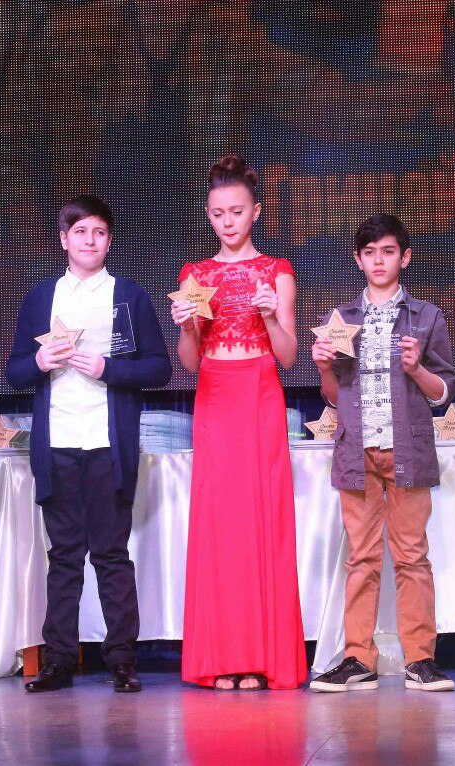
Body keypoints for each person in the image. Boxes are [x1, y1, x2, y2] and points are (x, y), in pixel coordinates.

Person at [6, 194, 171, 693]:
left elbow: (159, 368)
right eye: (80, 232)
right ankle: (59, 661)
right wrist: (40, 363)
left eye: (99, 233)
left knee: (111, 553)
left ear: (109, 240)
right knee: (64, 556)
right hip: (58, 440)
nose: (90, 241)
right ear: (63, 239)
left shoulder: (128, 296)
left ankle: (122, 660)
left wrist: (108, 369)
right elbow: (15, 371)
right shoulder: (42, 298)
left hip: (107, 441)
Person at [308, 213, 455, 693]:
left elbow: (443, 392)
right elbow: (336, 397)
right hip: (357, 453)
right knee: (361, 559)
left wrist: (416, 369)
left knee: (412, 556)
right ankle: (358, 658)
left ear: (404, 257)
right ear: (357, 259)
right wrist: (323, 368)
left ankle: (421, 659)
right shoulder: (341, 320)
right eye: (370, 252)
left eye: (388, 251)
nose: (379, 260)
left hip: (407, 450)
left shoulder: (427, 316)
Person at [172, 154, 306, 691]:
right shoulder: (195, 275)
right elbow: (188, 361)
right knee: (219, 525)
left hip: (258, 394)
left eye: (236, 211)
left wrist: (270, 314)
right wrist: (187, 326)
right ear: (209, 215)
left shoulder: (277, 272)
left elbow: (289, 356)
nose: (227, 222)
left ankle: (259, 658)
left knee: (259, 522)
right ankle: (221, 658)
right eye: (218, 213)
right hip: (215, 396)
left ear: (256, 211)